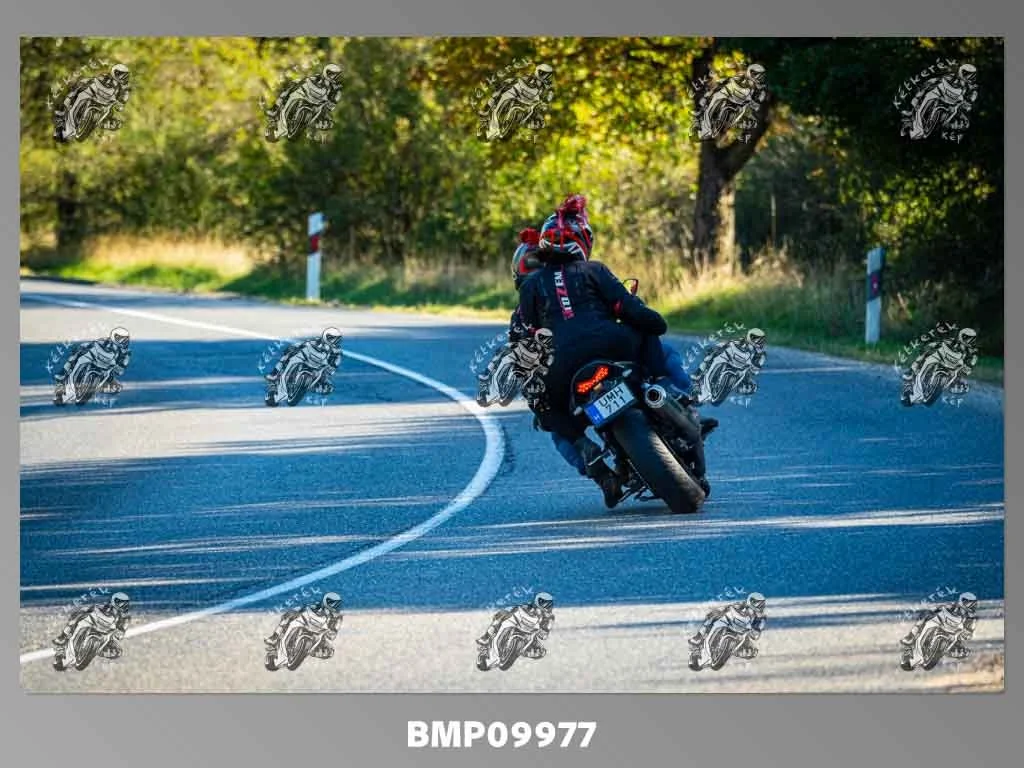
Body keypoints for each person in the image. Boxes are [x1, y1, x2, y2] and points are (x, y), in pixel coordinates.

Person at [514, 194, 711, 507]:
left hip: (561, 370)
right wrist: (654, 322)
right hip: (611, 344)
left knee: (551, 418)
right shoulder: (593, 269)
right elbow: (629, 308)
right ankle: (678, 396)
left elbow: (526, 344)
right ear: (583, 241)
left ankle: (595, 465)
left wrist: (541, 398)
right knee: (652, 337)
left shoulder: (529, 289)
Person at [53, 327, 132, 406]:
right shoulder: (104, 341)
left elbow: (122, 365)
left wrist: (119, 369)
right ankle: (62, 375)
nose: (123, 341)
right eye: (120, 338)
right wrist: (82, 347)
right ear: (114, 336)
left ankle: (98, 388)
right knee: (75, 356)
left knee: (116, 387)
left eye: (125, 339)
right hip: (92, 358)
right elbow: (91, 344)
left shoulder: (125, 352)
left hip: (106, 367)